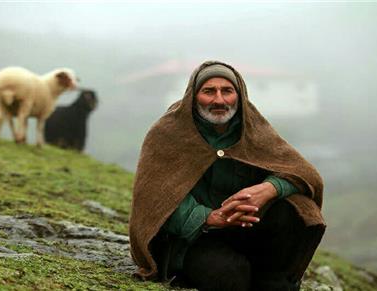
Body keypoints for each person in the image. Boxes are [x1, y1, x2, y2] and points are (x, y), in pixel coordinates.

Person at [129, 60, 325, 291]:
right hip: (195, 239)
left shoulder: (254, 129)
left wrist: (268, 189)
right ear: (193, 95)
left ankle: (274, 279)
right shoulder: (168, 133)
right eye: (209, 91)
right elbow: (153, 198)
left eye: (227, 91)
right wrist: (208, 217)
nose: (219, 100)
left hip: (249, 228)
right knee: (229, 276)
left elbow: (305, 174)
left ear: (239, 95)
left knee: (297, 208)